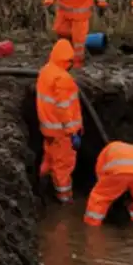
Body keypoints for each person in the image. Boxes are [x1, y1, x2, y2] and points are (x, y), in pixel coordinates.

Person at [36, 39, 83, 203]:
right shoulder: (63, 79)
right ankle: (65, 200)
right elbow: (64, 108)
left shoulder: (45, 71)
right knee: (63, 166)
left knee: (49, 159)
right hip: (62, 133)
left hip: (48, 129)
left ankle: (41, 187)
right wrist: (72, 133)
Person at [84, 141, 133, 226]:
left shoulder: (108, 149)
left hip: (118, 173)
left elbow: (100, 172)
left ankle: (92, 223)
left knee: (100, 196)